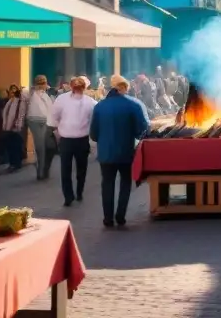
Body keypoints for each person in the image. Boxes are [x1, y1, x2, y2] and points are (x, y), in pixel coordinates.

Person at [90, 75, 150, 228]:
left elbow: (93, 133)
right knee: (125, 183)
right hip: (126, 151)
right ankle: (120, 215)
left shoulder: (100, 106)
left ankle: (108, 218)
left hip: (106, 153)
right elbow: (142, 129)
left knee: (107, 184)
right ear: (125, 88)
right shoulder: (133, 105)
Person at [47, 76, 96, 207]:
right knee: (81, 169)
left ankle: (70, 196)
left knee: (66, 169)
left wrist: (58, 128)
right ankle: (77, 192)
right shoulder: (90, 102)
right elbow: (94, 121)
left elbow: (53, 117)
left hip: (68, 139)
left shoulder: (62, 100)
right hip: (79, 139)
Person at [23, 75, 55, 180]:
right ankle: (41, 172)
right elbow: (24, 95)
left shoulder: (47, 94)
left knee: (49, 146)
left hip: (47, 121)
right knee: (40, 146)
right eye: (41, 82)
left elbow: (51, 108)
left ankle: (44, 169)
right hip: (35, 121)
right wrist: (34, 89)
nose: (43, 85)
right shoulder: (30, 93)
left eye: (44, 82)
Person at [1, 85, 26, 173]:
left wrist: (18, 124)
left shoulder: (19, 101)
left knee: (15, 146)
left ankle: (16, 164)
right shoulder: (9, 101)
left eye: (14, 91)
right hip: (8, 127)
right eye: (11, 91)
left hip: (15, 127)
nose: (13, 93)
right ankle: (13, 163)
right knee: (10, 145)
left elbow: (21, 114)